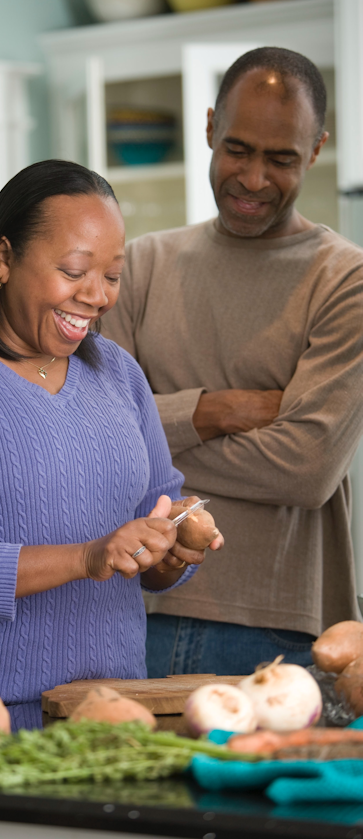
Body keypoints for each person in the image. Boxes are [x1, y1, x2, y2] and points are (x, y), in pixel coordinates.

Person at [0, 160, 223, 724]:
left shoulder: (119, 374)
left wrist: (172, 548)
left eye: (112, 275)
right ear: (3, 259)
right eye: (76, 270)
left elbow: (152, 537)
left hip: (106, 708)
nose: (98, 296)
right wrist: (85, 556)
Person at [101, 47, 363, 678]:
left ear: (318, 149)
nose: (252, 178)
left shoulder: (345, 280)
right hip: (129, 606)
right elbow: (95, 438)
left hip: (280, 629)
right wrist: (218, 410)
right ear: (211, 126)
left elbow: (305, 469)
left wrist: (152, 429)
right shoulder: (138, 266)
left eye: (281, 159)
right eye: (239, 149)